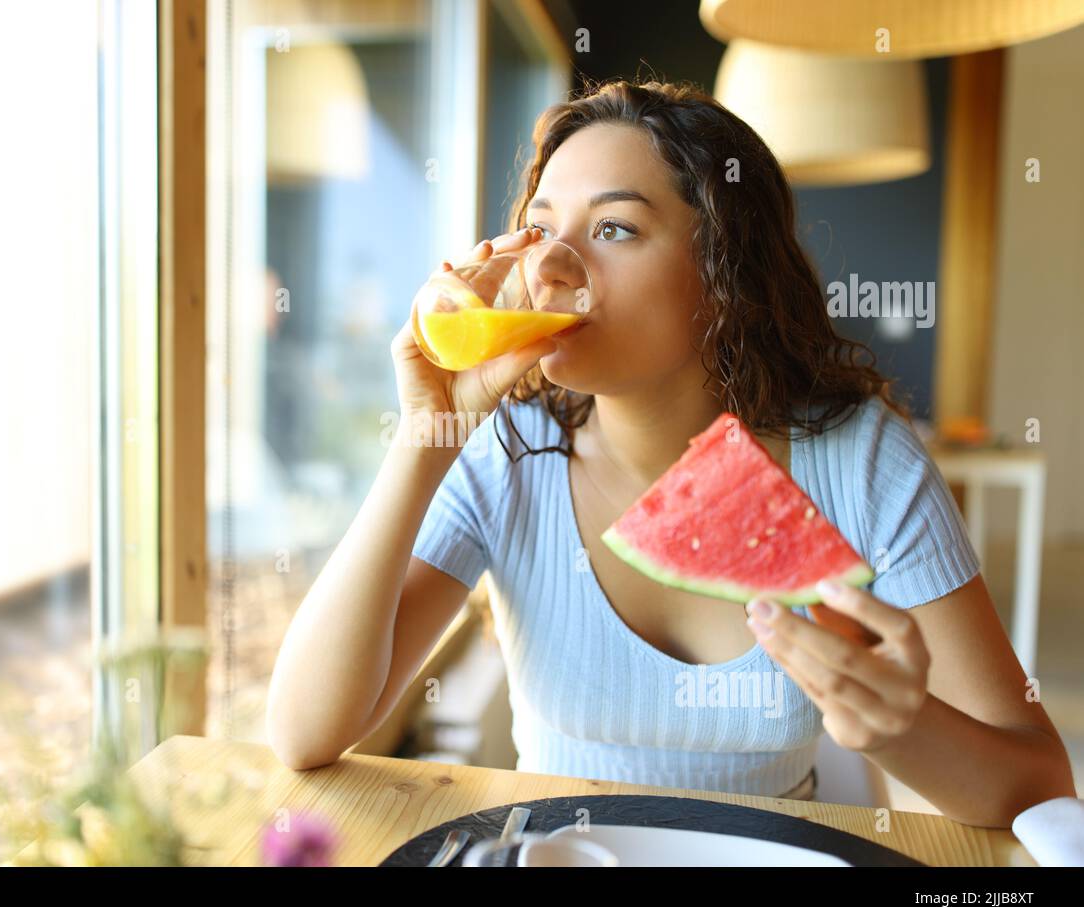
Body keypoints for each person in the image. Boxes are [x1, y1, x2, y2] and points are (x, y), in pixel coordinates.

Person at [266, 79, 1074, 826]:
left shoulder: (858, 462)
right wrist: (424, 437)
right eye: (542, 229)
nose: (550, 265)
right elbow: (305, 732)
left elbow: (1040, 784)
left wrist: (899, 730)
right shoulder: (506, 450)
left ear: (724, 275)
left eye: (614, 229)